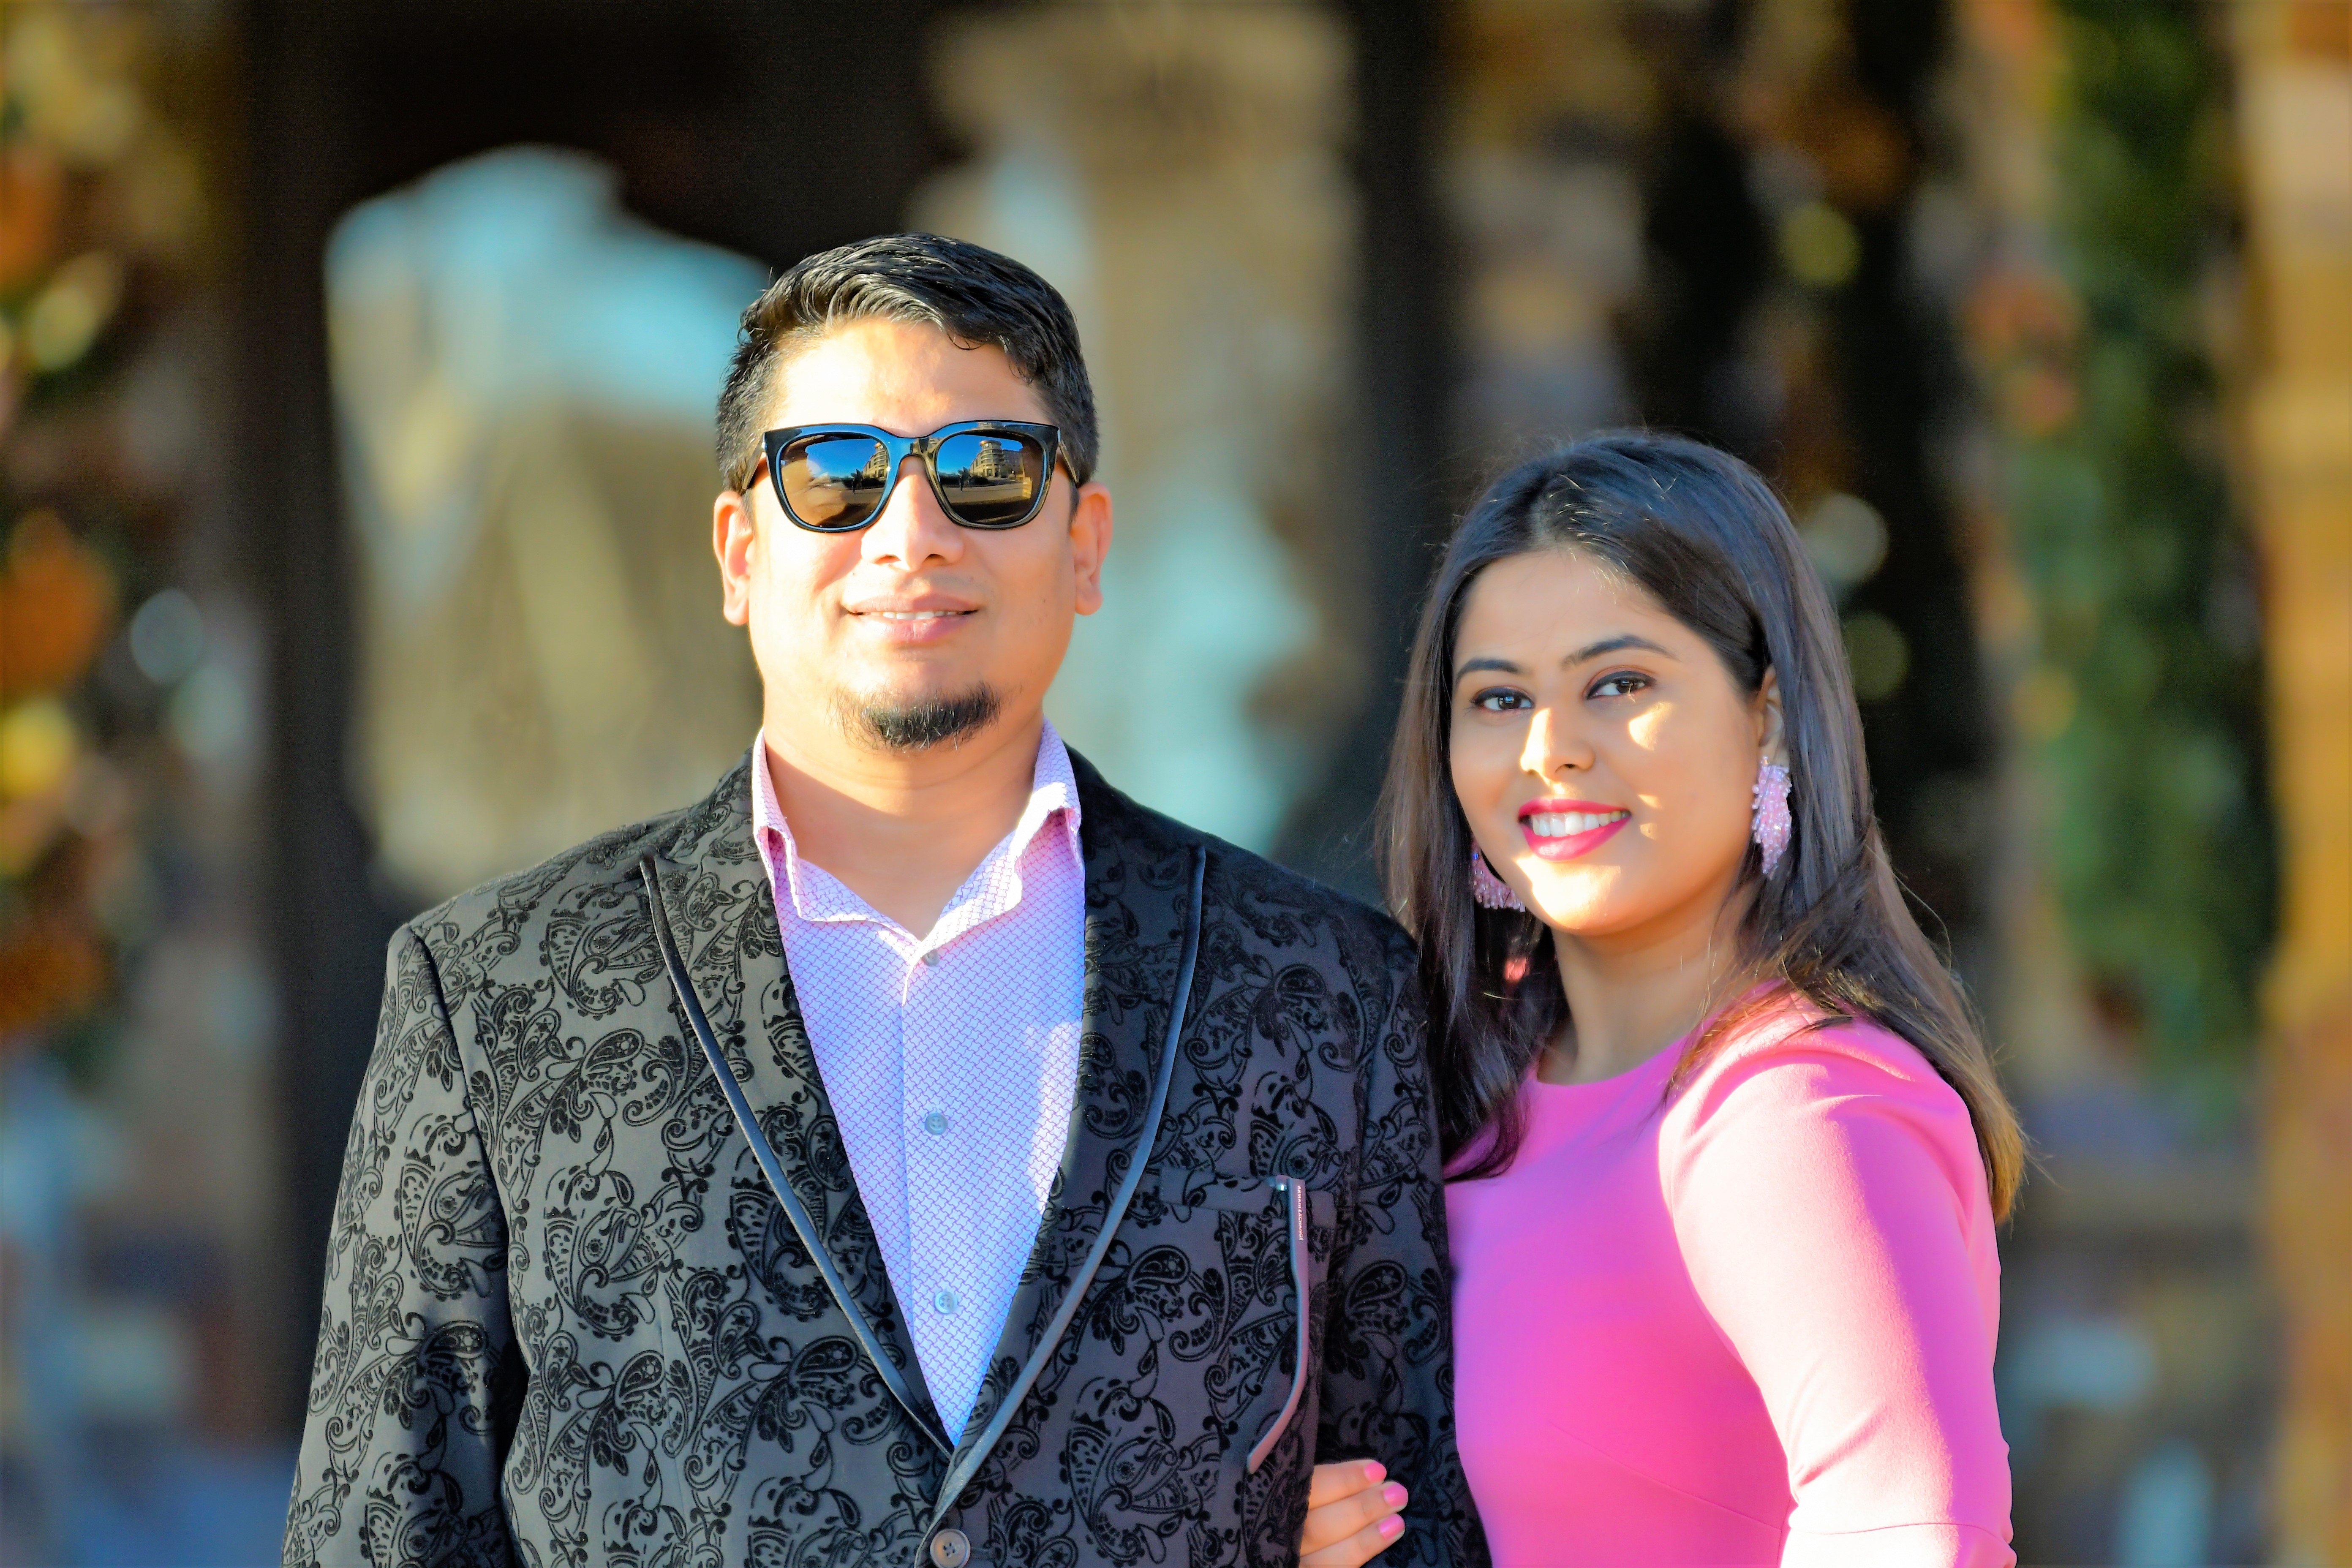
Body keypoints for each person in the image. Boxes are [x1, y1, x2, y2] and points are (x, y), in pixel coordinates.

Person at [283, 234, 1483, 1568]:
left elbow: (1418, 1516)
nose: (910, 535)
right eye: (836, 475)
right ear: (740, 552)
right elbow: (378, 1533)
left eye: (987, 472)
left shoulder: (1320, 986)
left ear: (1085, 545)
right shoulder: (493, 998)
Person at [1298, 432, 2023, 1566]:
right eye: (1499, 698)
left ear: (1767, 713)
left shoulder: (1795, 1109)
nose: (1549, 750)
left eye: (1620, 684)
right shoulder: (1460, 1082)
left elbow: (1917, 1537)